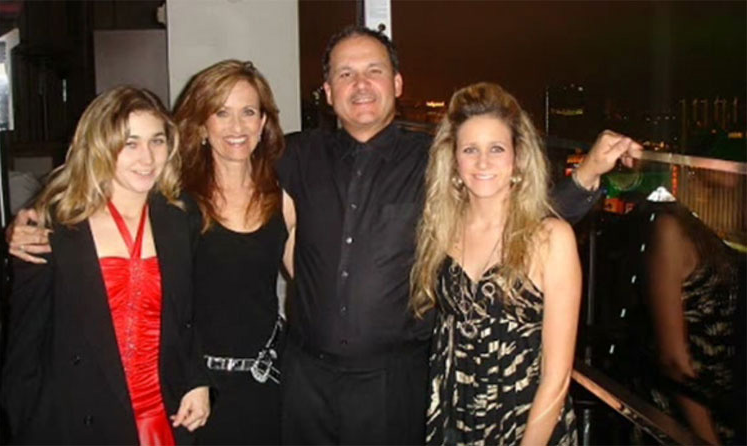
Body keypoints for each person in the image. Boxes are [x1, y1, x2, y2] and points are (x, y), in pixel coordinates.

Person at [276, 26, 640, 445]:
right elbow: (256, 222)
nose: (360, 84)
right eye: (345, 74)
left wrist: (588, 173)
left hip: (393, 386)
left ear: (397, 83)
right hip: (308, 379)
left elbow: (513, 215)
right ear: (326, 91)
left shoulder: (432, 160)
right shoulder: (296, 155)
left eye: (374, 71)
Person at [0, 86, 210, 445]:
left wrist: (197, 379)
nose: (147, 158)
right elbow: (24, 349)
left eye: (157, 141)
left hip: (164, 412)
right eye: (130, 143)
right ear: (99, 145)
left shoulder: (180, 217)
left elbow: (188, 316)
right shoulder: (54, 225)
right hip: (79, 421)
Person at [410, 82, 580, 445]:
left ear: (518, 158)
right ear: (453, 160)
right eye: (470, 149)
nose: (483, 162)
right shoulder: (442, 230)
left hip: (526, 424)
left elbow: (557, 378)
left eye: (496, 148)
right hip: (455, 422)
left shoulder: (551, 239)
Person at [173, 59, 293, 445]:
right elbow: (166, 305)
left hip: (269, 381)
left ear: (263, 122)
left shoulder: (282, 198)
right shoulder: (176, 202)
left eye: (248, 112)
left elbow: (314, 281)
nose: (237, 127)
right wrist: (38, 219)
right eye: (221, 113)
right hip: (198, 390)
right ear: (201, 126)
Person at [633, 200, 740, 444]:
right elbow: (673, 359)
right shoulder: (671, 229)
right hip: (688, 415)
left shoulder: (726, 226)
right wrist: (707, 440)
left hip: (727, 403)